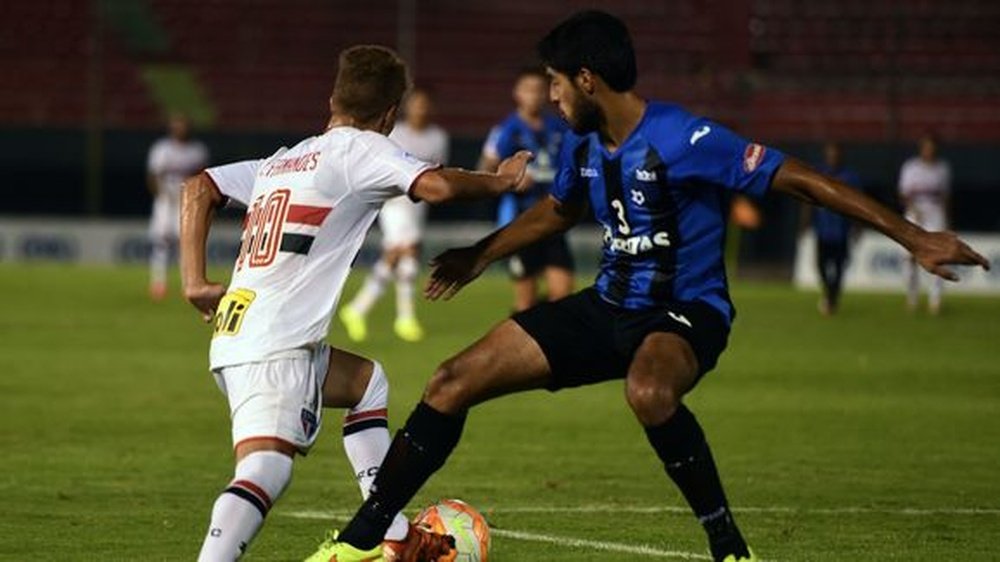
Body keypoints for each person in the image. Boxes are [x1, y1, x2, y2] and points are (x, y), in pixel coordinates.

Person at [320, 12, 989, 562]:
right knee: (449, 381)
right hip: (608, 307)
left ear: (586, 79)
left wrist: (914, 237)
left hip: (687, 311)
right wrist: (481, 255)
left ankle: (729, 548)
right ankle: (359, 543)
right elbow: (559, 211)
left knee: (648, 390)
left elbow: (801, 179)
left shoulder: (684, 136)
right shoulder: (584, 148)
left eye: (557, 83)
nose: (551, 96)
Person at [178, 45, 531, 562]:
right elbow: (433, 185)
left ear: (332, 98)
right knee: (265, 470)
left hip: (242, 330)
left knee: (368, 383)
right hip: (278, 340)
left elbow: (198, 186)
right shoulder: (360, 150)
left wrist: (193, 283)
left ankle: (389, 531)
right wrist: (500, 181)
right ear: (389, 114)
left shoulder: (282, 161)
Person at [340, 88, 450, 342]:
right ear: (408, 108)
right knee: (406, 250)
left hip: (418, 203)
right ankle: (405, 317)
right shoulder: (396, 133)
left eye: (425, 105)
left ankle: (358, 308)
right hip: (394, 201)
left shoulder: (438, 137)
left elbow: (439, 171)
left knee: (398, 256)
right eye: (416, 104)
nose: (420, 109)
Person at [479, 68, 575, 311]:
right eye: (528, 90)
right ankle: (523, 339)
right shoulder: (506, 130)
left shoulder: (559, 127)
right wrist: (509, 180)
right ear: (517, 93)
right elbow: (484, 171)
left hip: (553, 220)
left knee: (563, 295)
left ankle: (546, 334)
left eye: (539, 90)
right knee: (525, 302)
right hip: (520, 222)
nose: (534, 95)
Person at [147, 113, 209, 300]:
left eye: (183, 125)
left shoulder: (197, 150)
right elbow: (153, 177)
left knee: (186, 243)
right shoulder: (162, 149)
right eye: (176, 125)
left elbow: (204, 178)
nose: (180, 129)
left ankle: (188, 283)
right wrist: (162, 197)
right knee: (161, 242)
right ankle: (159, 283)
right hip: (166, 202)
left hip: (188, 201)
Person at [899, 133, 952, 314]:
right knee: (910, 258)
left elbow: (945, 197)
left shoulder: (942, 169)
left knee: (938, 257)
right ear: (921, 148)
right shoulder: (911, 167)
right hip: (915, 215)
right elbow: (904, 193)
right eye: (926, 147)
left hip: (935, 215)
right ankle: (912, 296)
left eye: (932, 147)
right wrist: (913, 210)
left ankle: (935, 299)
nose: (929, 150)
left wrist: (946, 221)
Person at [811, 141, 862, 315]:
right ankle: (829, 294)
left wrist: (857, 225)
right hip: (822, 229)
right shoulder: (819, 174)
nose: (833, 157)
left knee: (839, 267)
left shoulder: (850, 177)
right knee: (820, 265)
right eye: (830, 153)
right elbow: (808, 199)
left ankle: (832, 298)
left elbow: (858, 204)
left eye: (836, 153)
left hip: (841, 230)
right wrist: (804, 223)